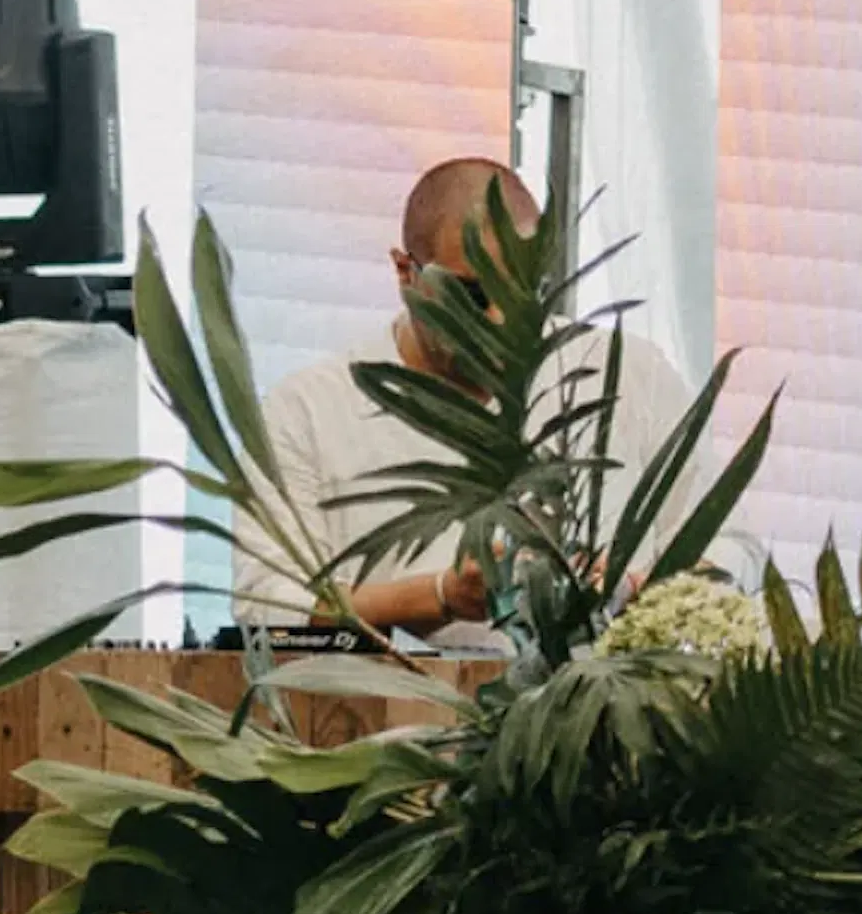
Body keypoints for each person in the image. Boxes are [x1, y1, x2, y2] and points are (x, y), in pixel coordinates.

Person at [237, 155, 707, 642]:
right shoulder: (309, 412)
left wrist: (625, 586)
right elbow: (269, 602)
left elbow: (727, 553)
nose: (502, 320)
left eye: (524, 290)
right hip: (399, 712)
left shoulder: (627, 376)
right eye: (475, 294)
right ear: (406, 273)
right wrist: (441, 595)